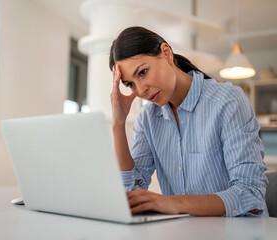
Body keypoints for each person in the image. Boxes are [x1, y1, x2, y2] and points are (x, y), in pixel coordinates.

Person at [109, 26, 269, 217]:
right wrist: (118, 123)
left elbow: (250, 195)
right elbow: (132, 189)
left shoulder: (227, 101)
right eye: (130, 84)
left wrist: (170, 203)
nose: (141, 90)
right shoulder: (147, 119)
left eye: (143, 72)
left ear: (166, 54)